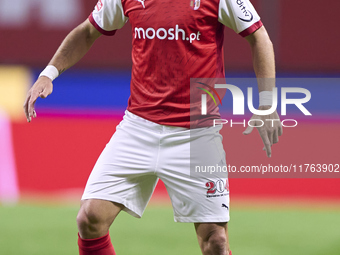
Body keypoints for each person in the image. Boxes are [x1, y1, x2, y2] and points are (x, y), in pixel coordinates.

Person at [23, 0, 282, 254]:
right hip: (138, 128)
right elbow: (88, 31)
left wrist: (267, 104)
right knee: (89, 219)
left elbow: (259, 36)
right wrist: (49, 73)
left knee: (215, 241)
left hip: (197, 134)